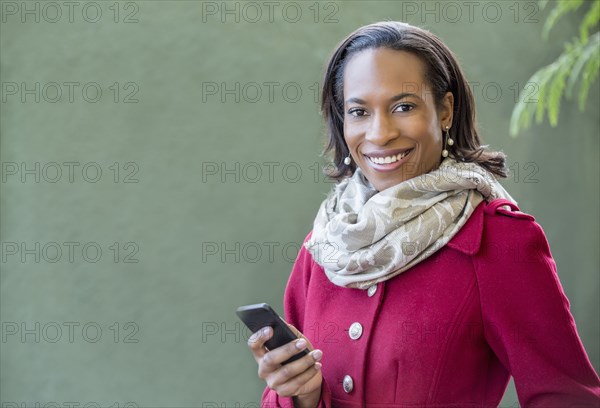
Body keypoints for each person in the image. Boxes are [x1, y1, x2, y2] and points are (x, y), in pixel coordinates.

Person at [246, 21, 600, 407]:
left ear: (445, 110)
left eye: (403, 106)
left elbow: (567, 396)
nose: (379, 134)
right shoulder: (324, 245)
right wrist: (301, 395)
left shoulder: (497, 241)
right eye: (359, 111)